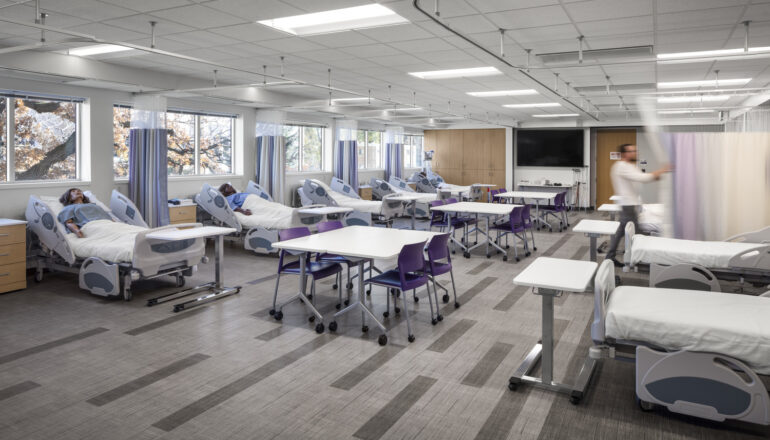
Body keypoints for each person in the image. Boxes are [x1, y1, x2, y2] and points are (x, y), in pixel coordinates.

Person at [605, 144, 671, 266]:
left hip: (630, 204)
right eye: (632, 151)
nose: (636, 152)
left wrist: (658, 175)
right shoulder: (621, 166)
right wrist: (662, 170)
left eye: (636, 150)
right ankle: (639, 258)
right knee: (637, 233)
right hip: (628, 205)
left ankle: (610, 256)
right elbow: (642, 178)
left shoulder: (629, 166)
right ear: (625, 154)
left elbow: (643, 178)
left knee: (621, 232)